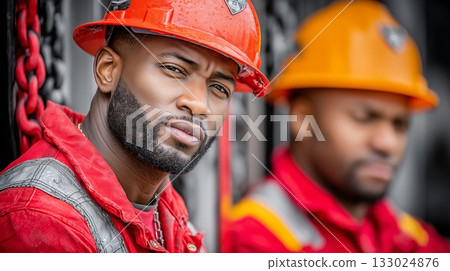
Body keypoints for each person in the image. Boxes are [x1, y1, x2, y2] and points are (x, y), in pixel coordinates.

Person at [0, 0, 269, 252]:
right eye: (175, 70)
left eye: (219, 87)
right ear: (108, 70)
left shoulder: (165, 205)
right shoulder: (42, 220)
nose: (199, 104)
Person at [228, 0, 450, 252]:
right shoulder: (257, 237)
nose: (388, 143)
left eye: (400, 124)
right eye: (365, 118)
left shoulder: (408, 235)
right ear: (302, 119)